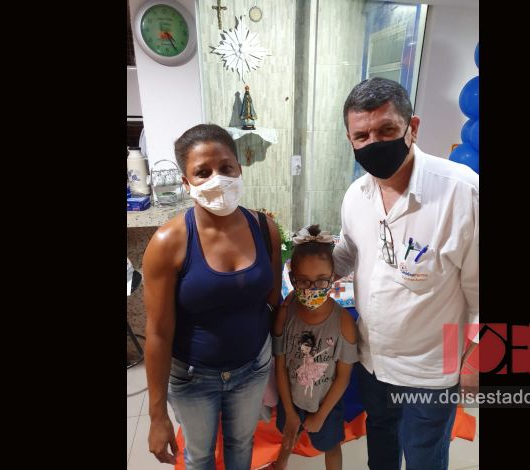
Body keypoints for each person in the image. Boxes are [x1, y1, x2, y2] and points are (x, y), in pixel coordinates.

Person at [333, 77, 479, 470]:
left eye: (386, 130)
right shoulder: (356, 195)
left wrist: (477, 359)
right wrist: (313, 266)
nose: (374, 143)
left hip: (430, 372)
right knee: (381, 455)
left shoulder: (462, 193)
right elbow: (349, 252)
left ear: (412, 127)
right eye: (362, 135)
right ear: (350, 139)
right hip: (373, 362)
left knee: (423, 458)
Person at [142, 123, 282, 469]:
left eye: (225, 168)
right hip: (193, 376)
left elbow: (273, 300)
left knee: (241, 445)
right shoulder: (168, 243)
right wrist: (157, 416)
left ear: (239, 169)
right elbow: (157, 333)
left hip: (253, 367)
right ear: (186, 182)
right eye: (202, 172)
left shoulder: (264, 228)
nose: (217, 179)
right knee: (200, 455)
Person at [271, 225, 358, 470]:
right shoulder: (285, 316)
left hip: (327, 404)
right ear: (292, 279)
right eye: (304, 281)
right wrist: (289, 412)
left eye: (321, 281)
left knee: (331, 446)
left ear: (333, 276)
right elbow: (280, 367)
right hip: (290, 400)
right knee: (288, 437)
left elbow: (343, 377)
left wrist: (321, 415)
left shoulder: (344, 322)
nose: (312, 289)